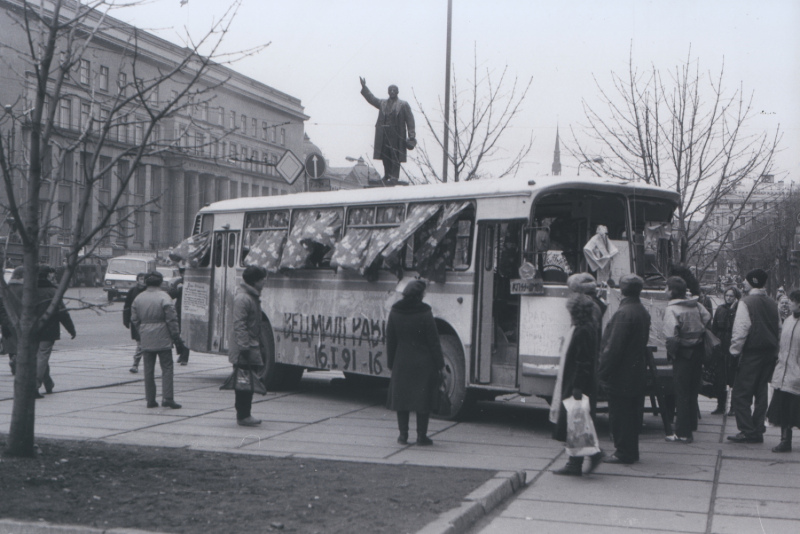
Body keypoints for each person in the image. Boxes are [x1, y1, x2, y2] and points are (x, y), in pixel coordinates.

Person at [598, 274, 651, 465]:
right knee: (630, 414)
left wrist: (602, 371)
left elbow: (614, 347)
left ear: (622, 290)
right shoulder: (641, 311)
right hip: (635, 371)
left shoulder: (623, 313)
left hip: (621, 374)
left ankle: (623, 452)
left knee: (620, 415)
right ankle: (630, 450)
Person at [386, 280, 444, 446]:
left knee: (401, 401)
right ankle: (421, 436)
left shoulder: (395, 312)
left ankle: (403, 436)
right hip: (423, 363)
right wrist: (440, 365)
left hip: (401, 361)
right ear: (419, 296)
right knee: (422, 401)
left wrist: (391, 363)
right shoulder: (425, 313)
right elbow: (434, 341)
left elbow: (391, 340)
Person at [727, 268, 780, 444]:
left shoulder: (746, 302)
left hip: (752, 353)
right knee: (761, 392)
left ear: (753, 282)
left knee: (741, 393)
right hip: (769, 353)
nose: (743, 282)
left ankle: (746, 430)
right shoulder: (773, 303)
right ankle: (758, 429)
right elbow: (778, 328)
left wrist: (734, 352)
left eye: (746, 280)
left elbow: (741, 330)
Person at [552, 293, 602, 476]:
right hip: (580, 382)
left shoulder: (582, 331)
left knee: (575, 422)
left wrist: (577, 386)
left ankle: (579, 461)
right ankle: (581, 459)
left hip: (577, 383)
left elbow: (582, 362)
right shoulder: (589, 327)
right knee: (578, 422)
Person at [663, 275, 711, 443]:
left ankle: (682, 432)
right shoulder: (695, 304)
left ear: (672, 291)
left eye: (666, 287)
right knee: (692, 391)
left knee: (681, 393)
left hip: (683, 353)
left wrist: (673, 353)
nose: (664, 290)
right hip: (698, 351)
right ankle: (690, 426)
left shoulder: (672, 309)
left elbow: (671, 336)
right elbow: (707, 317)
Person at [131, 271, 185, 409]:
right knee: (167, 368)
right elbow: (172, 320)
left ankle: (150, 399)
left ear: (146, 282)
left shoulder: (138, 298)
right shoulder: (164, 297)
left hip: (146, 337)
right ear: (160, 282)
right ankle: (167, 398)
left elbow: (135, 319)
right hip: (163, 336)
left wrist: (142, 331)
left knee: (148, 370)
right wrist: (176, 337)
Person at [229, 265, 268, 427]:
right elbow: (240, 325)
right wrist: (244, 347)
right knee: (244, 383)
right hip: (244, 347)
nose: (265, 281)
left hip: (249, 345)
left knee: (247, 382)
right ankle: (243, 415)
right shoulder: (244, 298)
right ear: (255, 281)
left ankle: (245, 414)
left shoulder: (250, 296)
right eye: (262, 279)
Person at [359, 77, 416, 184]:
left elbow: (410, 120)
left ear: (398, 92)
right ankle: (387, 175)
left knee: (395, 155)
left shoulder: (403, 104)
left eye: (394, 90)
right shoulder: (382, 103)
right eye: (390, 90)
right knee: (385, 155)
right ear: (388, 92)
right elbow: (372, 99)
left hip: (397, 134)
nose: (392, 92)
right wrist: (364, 87)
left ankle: (394, 176)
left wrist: (411, 135)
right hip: (384, 133)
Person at [35, 265, 76, 398]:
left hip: (31, 329)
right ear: (48, 276)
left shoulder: (30, 290)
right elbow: (62, 313)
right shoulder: (53, 292)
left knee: (40, 357)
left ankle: (48, 383)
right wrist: (71, 329)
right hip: (48, 329)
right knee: (42, 357)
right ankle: (34, 386)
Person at [767, 289, 800, 452]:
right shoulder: (788, 321)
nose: (789, 304)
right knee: (784, 409)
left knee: (796, 409)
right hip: (784, 373)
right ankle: (785, 440)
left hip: (796, 373)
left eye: (792, 301)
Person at [710, 286, 741, 415]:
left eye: (731, 296)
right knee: (720, 377)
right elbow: (715, 326)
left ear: (736, 298)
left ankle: (734, 407)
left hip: (732, 344)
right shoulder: (720, 309)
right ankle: (720, 405)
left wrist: (733, 309)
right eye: (727, 295)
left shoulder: (739, 310)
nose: (728, 298)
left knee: (733, 377)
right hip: (721, 344)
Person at [122, 273, 147, 373]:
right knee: (140, 343)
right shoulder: (133, 291)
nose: (143, 281)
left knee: (144, 344)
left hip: (147, 320)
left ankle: (140, 364)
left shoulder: (148, 291)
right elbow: (127, 306)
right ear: (137, 280)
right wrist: (126, 320)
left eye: (144, 279)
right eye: (141, 279)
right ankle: (135, 363)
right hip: (136, 320)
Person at [3, 266, 23, 375]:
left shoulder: (6, 288)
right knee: (22, 345)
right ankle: (18, 364)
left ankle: (13, 362)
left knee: (12, 346)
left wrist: (4, 322)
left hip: (8, 321)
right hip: (22, 321)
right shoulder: (26, 289)